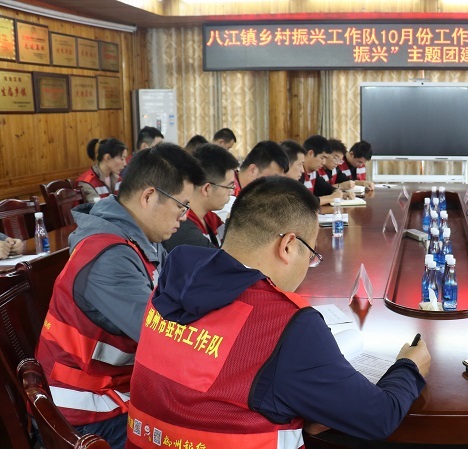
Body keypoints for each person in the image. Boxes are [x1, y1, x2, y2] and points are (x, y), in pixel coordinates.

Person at [125, 177, 430, 448]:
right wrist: (408, 367)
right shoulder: (286, 323)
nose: (309, 268)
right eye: (311, 256)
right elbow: (378, 417)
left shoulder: (172, 281)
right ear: (288, 246)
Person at [35, 143, 205, 449]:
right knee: (201, 433)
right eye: (182, 206)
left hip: (117, 389)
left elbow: (182, 293)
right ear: (149, 196)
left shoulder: (142, 238)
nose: (184, 218)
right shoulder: (109, 257)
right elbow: (162, 335)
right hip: (86, 411)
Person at [163, 144, 239, 252]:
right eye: (229, 186)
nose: (232, 192)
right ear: (207, 189)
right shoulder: (182, 228)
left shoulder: (211, 218)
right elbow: (223, 261)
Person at [301, 134, 352, 206]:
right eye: (322, 158)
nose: (324, 162)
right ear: (311, 153)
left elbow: (325, 187)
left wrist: (340, 193)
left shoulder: (313, 172)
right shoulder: (298, 172)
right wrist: (331, 198)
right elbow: (303, 202)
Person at [76, 138, 128, 203]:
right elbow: (98, 208)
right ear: (107, 158)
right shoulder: (87, 182)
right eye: (122, 159)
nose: (125, 164)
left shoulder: (118, 179)